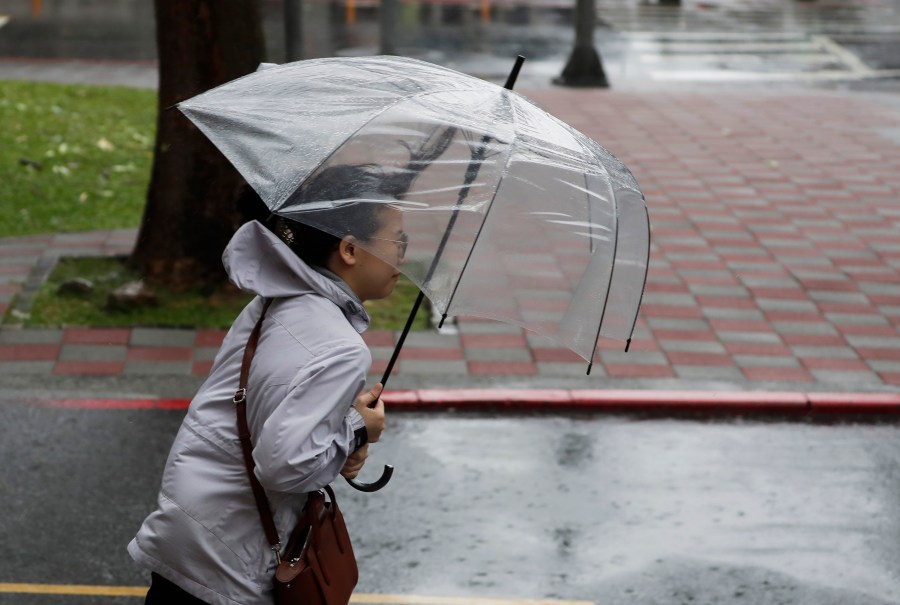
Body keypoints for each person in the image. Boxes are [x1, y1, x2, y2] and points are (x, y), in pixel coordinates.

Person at [128, 164, 410, 605]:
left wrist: (339, 430)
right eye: (397, 241)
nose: (402, 256)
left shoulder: (274, 299)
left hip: (189, 530)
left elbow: (262, 411)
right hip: (229, 564)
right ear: (350, 249)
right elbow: (285, 465)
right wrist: (357, 429)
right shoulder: (342, 347)